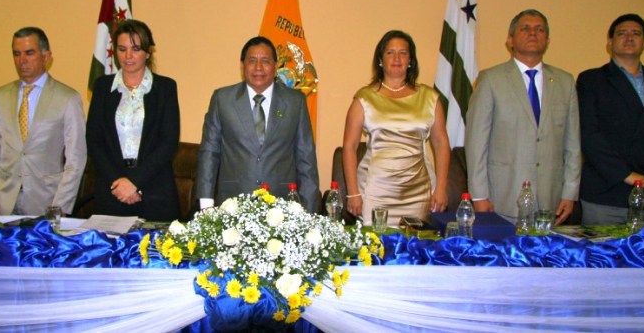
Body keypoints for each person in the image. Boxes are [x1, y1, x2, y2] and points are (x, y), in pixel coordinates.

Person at [465, 9, 581, 225]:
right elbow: (476, 143)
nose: (533, 33)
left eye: (540, 30)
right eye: (525, 28)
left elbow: (573, 145)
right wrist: (479, 196)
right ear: (510, 39)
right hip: (503, 198)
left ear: (547, 40)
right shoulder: (491, 80)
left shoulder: (565, 82)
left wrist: (570, 192)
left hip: (551, 200)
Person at [196, 36, 319, 213]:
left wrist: (309, 213)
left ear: (276, 67)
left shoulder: (295, 102)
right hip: (232, 205)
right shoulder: (222, 99)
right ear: (242, 66)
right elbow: (209, 153)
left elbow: (306, 159)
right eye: (252, 61)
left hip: (282, 207)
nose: (258, 67)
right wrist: (206, 206)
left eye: (265, 61)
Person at [342, 30, 450, 225]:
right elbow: (349, 147)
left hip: (417, 191)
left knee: (414, 250)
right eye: (390, 52)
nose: (397, 58)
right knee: (374, 251)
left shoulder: (429, 97)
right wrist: (352, 192)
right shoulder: (365, 97)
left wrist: (441, 187)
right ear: (381, 59)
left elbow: (441, 143)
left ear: (411, 60)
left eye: (403, 52)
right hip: (375, 190)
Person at [0, 27, 86, 216]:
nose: (22, 60)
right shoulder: (1, 96)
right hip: (3, 202)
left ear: (46, 56)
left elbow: (75, 160)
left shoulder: (67, 98)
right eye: (16, 54)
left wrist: (59, 207)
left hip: (47, 201)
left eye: (29, 53)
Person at [86, 19, 181, 222]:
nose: (128, 56)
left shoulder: (165, 88)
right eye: (122, 49)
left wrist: (135, 182)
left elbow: (169, 142)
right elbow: (94, 140)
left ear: (147, 52)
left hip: (155, 191)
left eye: (135, 49)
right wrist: (119, 183)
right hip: (112, 190)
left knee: (156, 253)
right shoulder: (102, 87)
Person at [577, 14, 644, 224]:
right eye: (622, 33)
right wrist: (627, 175)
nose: (629, 37)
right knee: (602, 256)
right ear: (610, 42)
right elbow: (589, 135)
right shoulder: (591, 80)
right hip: (607, 192)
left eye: (636, 33)